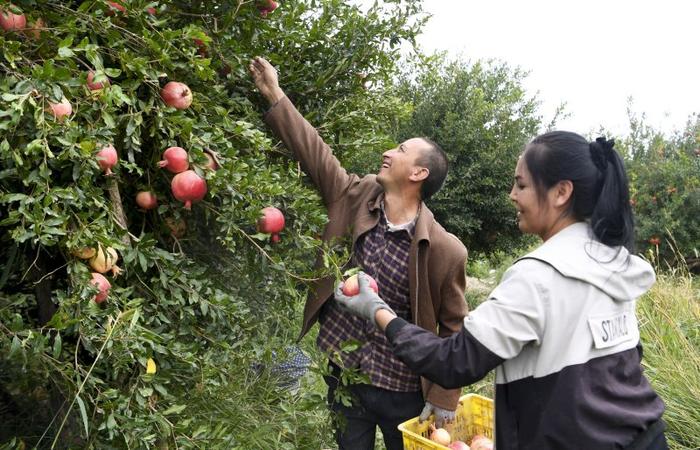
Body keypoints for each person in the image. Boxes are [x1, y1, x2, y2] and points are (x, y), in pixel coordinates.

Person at [335, 131, 667, 449]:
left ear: (561, 192)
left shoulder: (538, 276)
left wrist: (376, 310)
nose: (513, 195)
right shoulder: (612, 264)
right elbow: (626, 360)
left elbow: (455, 361)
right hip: (646, 435)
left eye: (521, 184)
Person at [248, 56, 469, 449]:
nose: (389, 151)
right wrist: (274, 94)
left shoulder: (446, 250)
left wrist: (442, 398)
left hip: (404, 391)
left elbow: (455, 330)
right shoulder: (355, 196)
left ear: (419, 174)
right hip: (345, 376)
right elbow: (314, 153)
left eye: (401, 149)